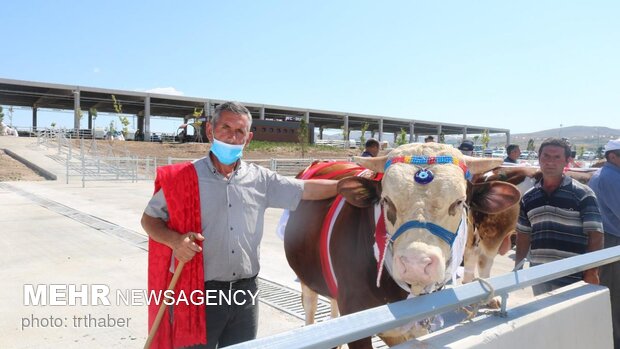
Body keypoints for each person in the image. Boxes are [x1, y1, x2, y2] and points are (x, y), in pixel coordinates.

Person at [141, 101, 338, 349]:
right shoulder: (183, 178)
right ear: (210, 131)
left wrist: (347, 185)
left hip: (246, 294)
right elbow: (149, 219)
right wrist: (174, 241)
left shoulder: (261, 180)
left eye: (240, 132)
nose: (233, 137)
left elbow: (304, 189)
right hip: (199, 293)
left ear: (249, 138)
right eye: (225, 128)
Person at [514, 138, 603, 296]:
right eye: (546, 156)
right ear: (539, 159)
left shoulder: (582, 194)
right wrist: (518, 267)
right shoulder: (529, 197)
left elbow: (595, 235)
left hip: (574, 275)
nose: (550, 162)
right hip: (539, 275)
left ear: (567, 161)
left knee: (572, 319)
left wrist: (592, 271)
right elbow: (523, 234)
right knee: (544, 317)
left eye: (557, 157)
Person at [588, 138, 620, 349]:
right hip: (611, 243)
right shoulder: (610, 178)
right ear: (613, 156)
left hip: (611, 241)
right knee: (614, 297)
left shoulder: (611, 175)